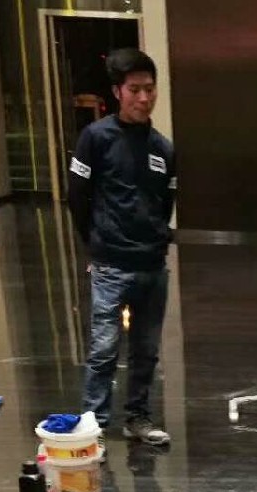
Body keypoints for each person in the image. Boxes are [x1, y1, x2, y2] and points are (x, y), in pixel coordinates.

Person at [69, 47, 176, 446]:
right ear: (117, 92)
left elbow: (166, 203)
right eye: (135, 89)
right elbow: (77, 196)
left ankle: (138, 417)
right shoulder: (95, 138)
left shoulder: (163, 148)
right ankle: (93, 426)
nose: (144, 98)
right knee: (104, 349)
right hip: (111, 264)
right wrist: (95, 244)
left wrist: (156, 238)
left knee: (146, 350)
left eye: (150, 89)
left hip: (152, 265)